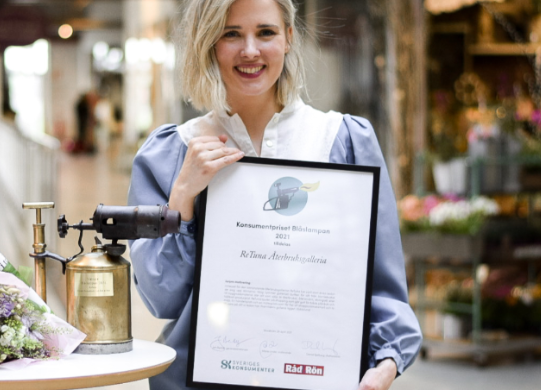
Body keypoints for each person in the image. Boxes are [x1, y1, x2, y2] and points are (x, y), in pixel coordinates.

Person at [127, 0, 422, 389]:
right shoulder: (172, 153)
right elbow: (160, 300)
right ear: (209, 43)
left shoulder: (342, 142)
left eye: (265, 32)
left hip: (317, 378)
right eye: (231, 33)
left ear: (288, 39)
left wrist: (386, 361)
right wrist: (182, 195)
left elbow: (381, 280)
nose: (250, 50)